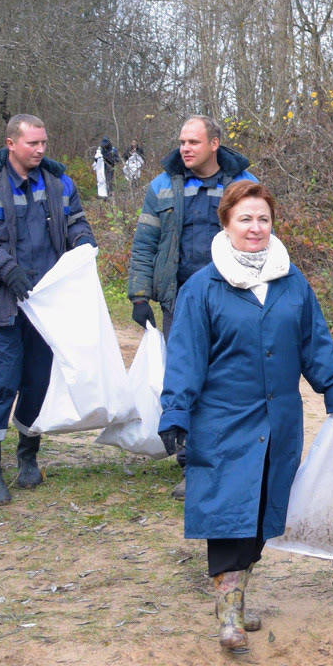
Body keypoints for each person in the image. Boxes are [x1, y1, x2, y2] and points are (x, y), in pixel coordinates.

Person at [159, 180, 333, 655]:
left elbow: (315, 343)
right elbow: (185, 356)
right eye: (245, 218)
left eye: (263, 219)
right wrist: (176, 413)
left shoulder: (292, 282)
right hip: (224, 420)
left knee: (265, 511)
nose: (255, 227)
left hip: (280, 418)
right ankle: (228, 616)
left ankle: (237, 602)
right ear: (226, 223)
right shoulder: (202, 287)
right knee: (229, 514)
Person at [0, 114, 96, 505]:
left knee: (38, 383)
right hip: (2, 303)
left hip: (48, 305)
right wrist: (8, 270)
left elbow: (76, 223)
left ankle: (28, 456)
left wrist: (84, 243)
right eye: (32, 143)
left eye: (43, 143)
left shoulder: (59, 182)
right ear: (11, 143)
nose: (39, 150)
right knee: (0, 383)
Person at [128, 115, 256, 498]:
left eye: (193, 142)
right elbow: (145, 243)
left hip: (231, 301)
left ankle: (232, 460)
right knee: (183, 381)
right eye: (182, 141)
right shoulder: (162, 186)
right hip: (178, 301)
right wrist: (139, 295)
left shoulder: (242, 186)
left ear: (214, 144)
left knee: (230, 382)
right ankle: (191, 465)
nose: (184, 148)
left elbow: (258, 239)